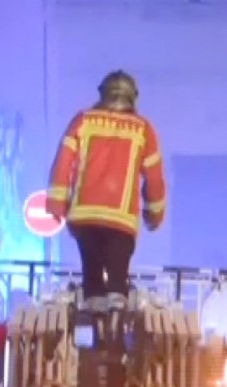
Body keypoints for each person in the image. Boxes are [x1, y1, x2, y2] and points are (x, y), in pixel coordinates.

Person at [46, 69, 167, 315]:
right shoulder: (143, 130)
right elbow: (154, 180)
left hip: (84, 219)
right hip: (120, 223)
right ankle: (115, 318)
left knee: (92, 276)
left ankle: (94, 310)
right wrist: (154, 216)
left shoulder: (83, 121)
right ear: (132, 97)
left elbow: (62, 162)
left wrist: (57, 204)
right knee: (117, 281)